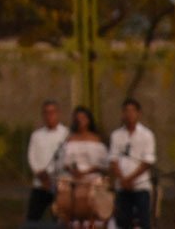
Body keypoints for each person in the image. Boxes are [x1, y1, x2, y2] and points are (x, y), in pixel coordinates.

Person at [56, 106, 110, 227]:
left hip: (91, 177)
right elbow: (63, 161)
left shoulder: (97, 140)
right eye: (78, 118)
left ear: (89, 120)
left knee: (92, 197)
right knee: (64, 193)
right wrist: (72, 170)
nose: (80, 120)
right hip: (72, 177)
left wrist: (87, 172)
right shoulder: (69, 139)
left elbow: (103, 165)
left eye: (83, 118)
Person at [109, 98, 156, 229]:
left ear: (138, 113)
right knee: (123, 222)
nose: (129, 114)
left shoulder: (147, 135)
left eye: (132, 111)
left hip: (140, 186)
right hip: (122, 186)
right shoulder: (116, 135)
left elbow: (147, 161)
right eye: (126, 111)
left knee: (143, 222)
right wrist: (123, 180)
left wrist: (130, 179)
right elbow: (113, 160)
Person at [26, 99, 69, 222]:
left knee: (60, 219)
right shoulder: (36, 135)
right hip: (40, 183)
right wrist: (40, 174)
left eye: (52, 112)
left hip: (59, 184)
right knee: (33, 218)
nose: (49, 116)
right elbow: (31, 157)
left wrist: (52, 177)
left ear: (58, 113)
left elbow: (66, 157)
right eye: (46, 113)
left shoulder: (66, 133)